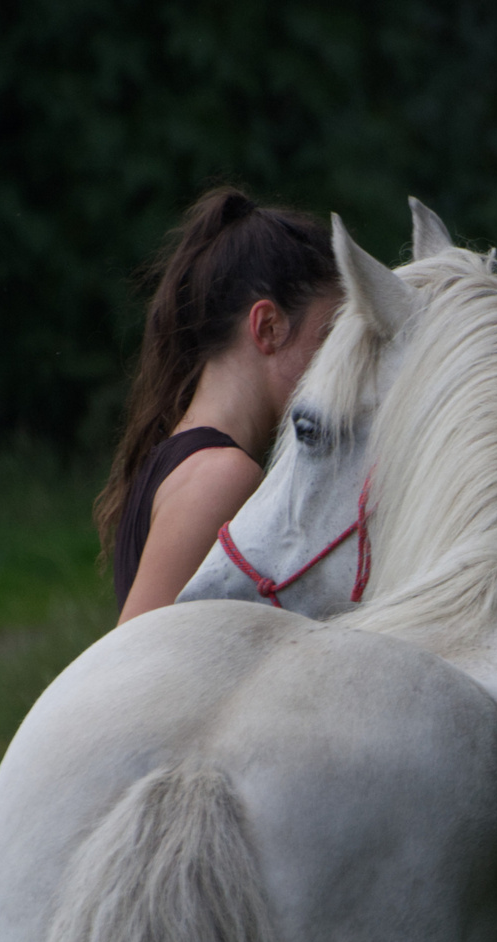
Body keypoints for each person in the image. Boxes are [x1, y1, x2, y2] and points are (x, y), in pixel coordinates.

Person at [94, 186, 341, 623]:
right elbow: (134, 663)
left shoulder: (187, 459)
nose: (341, 364)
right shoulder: (221, 475)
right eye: (329, 337)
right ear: (267, 327)